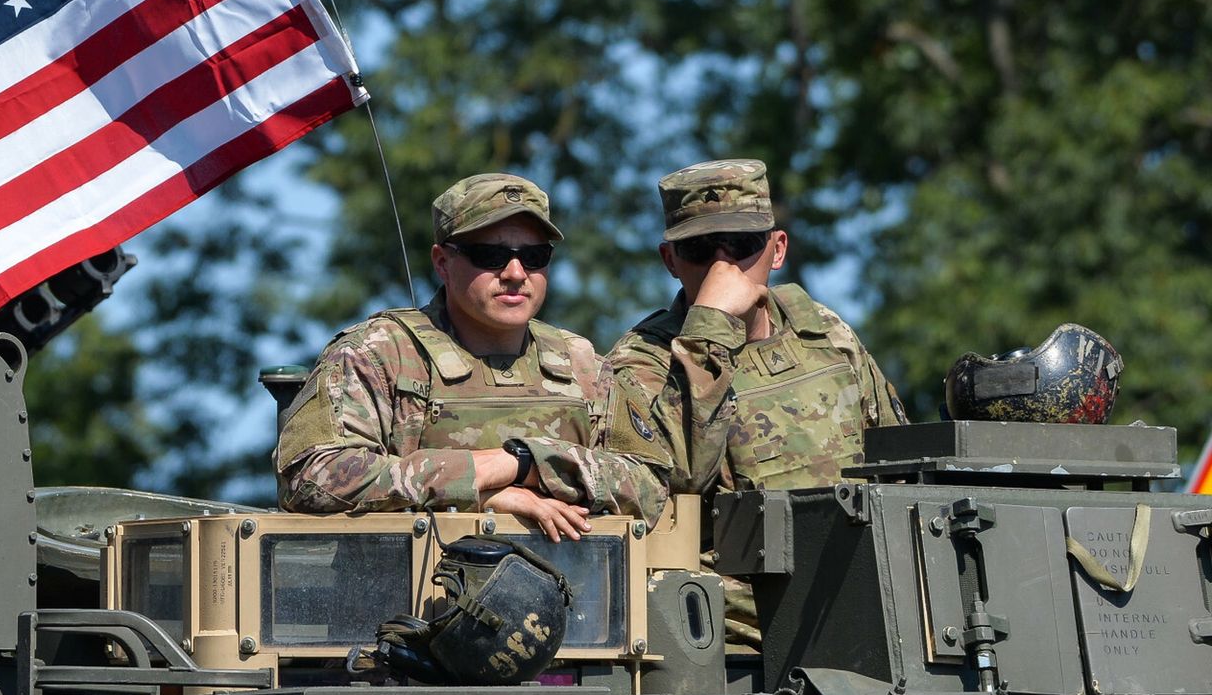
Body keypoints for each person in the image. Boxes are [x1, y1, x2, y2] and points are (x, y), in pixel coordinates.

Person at [274, 172, 741, 538]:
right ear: (442, 261)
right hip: (411, 628)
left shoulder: (581, 364)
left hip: (577, 629)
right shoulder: (379, 354)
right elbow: (313, 476)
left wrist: (527, 461)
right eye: (489, 256)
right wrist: (481, 489)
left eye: (534, 255)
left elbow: (652, 485)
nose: (516, 273)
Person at [606, 158, 906, 645]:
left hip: (857, 614)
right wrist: (708, 328)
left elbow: (896, 462)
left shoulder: (825, 333)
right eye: (702, 249)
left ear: (778, 248)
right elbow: (673, 480)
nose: (724, 268)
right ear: (670, 260)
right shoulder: (644, 360)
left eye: (743, 246)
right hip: (731, 646)